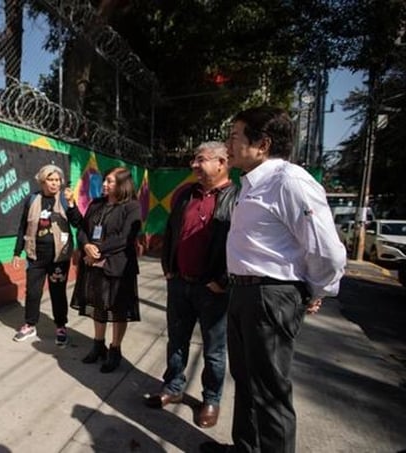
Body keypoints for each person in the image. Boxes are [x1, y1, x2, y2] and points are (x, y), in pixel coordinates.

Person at [202, 107, 347, 453]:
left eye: (235, 136)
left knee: (270, 393)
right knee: (247, 382)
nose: (229, 144)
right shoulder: (252, 184)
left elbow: (328, 251)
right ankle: (245, 447)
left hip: (270, 297)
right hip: (244, 294)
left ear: (263, 143)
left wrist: (314, 289)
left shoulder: (289, 181)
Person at [145, 141, 238, 429]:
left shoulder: (238, 198)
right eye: (194, 160)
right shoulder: (185, 194)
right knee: (176, 339)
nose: (194, 165)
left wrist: (223, 280)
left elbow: (240, 245)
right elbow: (172, 231)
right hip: (180, 284)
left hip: (214, 289)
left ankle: (211, 399)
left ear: (222, 163)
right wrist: (168, 267)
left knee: (214, 349)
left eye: (201, 160)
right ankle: (173, 387)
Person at [69, 167, 142, 373]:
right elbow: (83, 228)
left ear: (122, 184)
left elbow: (125, 237)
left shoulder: (132, 207)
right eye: (105, 180)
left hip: (118, 266)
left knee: (118, 309)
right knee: (98, 304)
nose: (104, 184)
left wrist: (98, 249)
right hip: (93, 264)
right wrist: (85, 246)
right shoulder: (96, 204)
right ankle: (98, 344)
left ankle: (115, 349)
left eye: (109, 181)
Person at [12, 164, 79, 346]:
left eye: (57, 180)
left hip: (59, 257)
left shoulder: (65, 199)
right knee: (33, 292)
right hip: (35, 256)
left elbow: (78, 223)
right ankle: (30, 325)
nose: (55, 183)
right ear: (43, 181)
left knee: (58, 292)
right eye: (51, 179)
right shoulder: (32, 199)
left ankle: (61, 326)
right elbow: (23, 227)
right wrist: (17, 252)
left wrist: (72, 204)